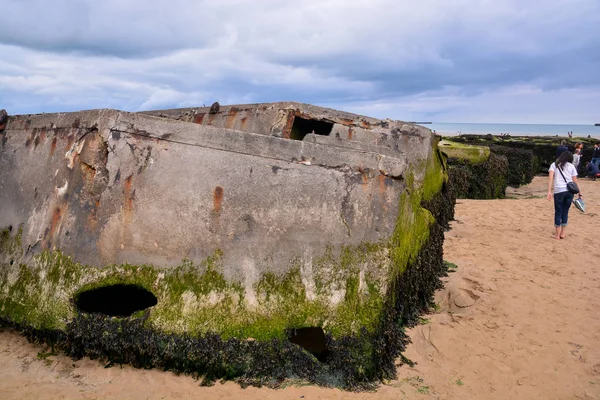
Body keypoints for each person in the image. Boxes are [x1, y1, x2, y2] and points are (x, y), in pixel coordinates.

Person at [547, 151, 582, 240]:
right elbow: (575, 180)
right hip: (569, 192)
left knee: (558, 211)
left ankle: (557, 235)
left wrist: (549, 191)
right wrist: (579, 192)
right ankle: (562, 233)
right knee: (565, 211)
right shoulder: (571, 166)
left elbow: (551, 178)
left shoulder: (554, 165)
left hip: (559, 191)